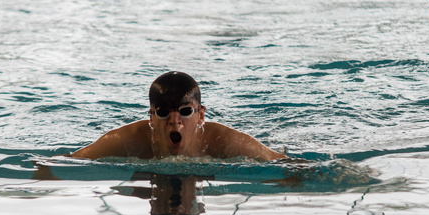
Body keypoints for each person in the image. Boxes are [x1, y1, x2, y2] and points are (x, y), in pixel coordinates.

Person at [70, 71, 285, 161]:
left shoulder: (225, 142)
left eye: (185, 111)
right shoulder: (128, 140)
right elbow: (70, 162)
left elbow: (284, 163)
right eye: (163, 113)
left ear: (201, 116)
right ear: (151, 118)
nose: (174, 121)